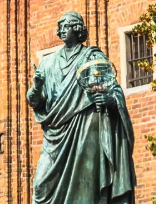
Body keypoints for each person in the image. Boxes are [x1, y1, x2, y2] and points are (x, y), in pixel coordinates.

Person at [25, 11, 136, 204]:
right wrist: (36, 86)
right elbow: (34, 101)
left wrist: (108, 100)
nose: (61, 30)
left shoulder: (92, 57)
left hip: (86, 128)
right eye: (60, 27)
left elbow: (112, 88)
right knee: (40, 186)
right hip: (56, 134)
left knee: (87, 190)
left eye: (66, 26)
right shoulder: (48, 63)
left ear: (77, 29)